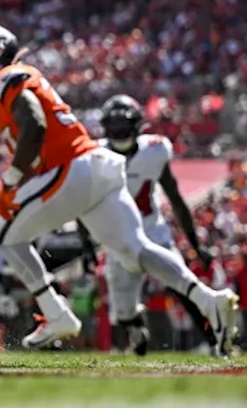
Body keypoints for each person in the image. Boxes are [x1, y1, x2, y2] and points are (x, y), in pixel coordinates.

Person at [0, 23, 240, 355]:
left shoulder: (7, 78)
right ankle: (209, 300)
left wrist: (6, 189)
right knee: (136, 251)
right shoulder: (17, 78)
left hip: (71, 168)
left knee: (1, 234)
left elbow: (34, 126)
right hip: (96, 167)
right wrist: (7, 194)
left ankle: (55, 313)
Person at [93, 94, 215, 356]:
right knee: (123, 310)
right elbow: (83, 204)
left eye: (123, 125)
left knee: (182, 283)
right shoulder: (96, 155)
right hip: (118, 238)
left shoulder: (155, 151)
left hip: (151, 230)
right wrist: (87, 246)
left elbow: (176, 199)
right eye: (113, 125)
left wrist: (195, 245)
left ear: (137, 125)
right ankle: (135, 334)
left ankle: (214, 341)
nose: (118, 130)